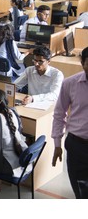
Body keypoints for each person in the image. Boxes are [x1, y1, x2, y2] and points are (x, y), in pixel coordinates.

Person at [51, 47, 88, 199]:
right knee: (81, 193)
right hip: (77, 146)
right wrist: (57, 144)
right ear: (82, 62)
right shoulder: (70, 84)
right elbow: (59, 114)